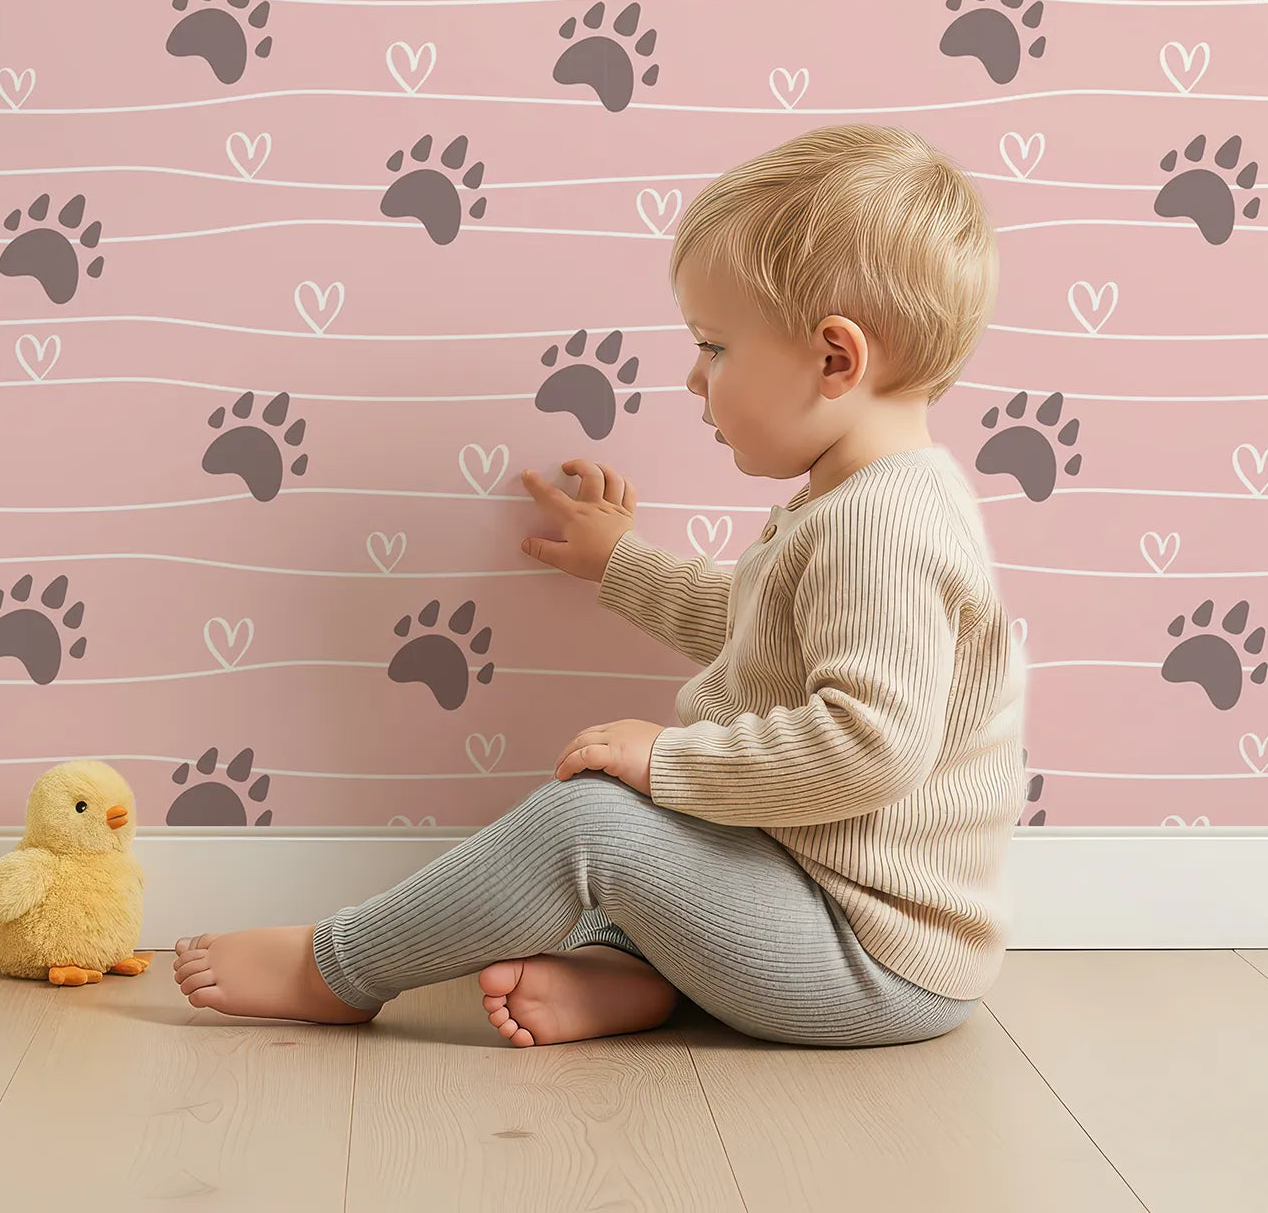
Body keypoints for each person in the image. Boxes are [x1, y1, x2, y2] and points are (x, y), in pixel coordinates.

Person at [171, 124, 1028, 1048]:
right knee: (635, 825)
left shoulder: (881, 525)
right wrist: (622, 564)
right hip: (799, 903)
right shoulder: (856, 499)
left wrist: (666, 761)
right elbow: (759, 635)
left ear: (834, 359)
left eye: (715, 347)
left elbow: (870, 749)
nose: (693, 378)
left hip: (868, 958)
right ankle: (631, 977)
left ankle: (337, 969)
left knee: (592, 827)